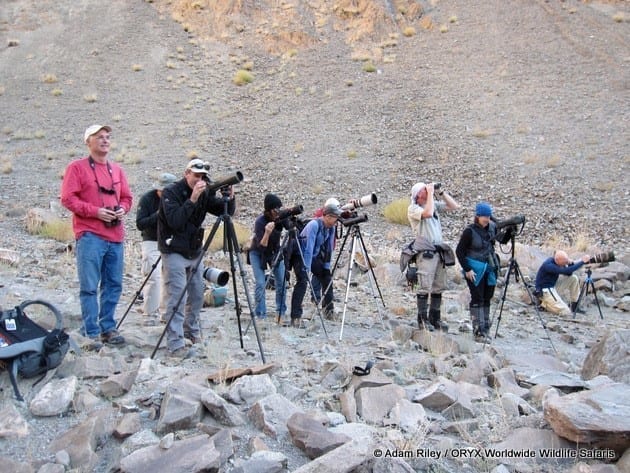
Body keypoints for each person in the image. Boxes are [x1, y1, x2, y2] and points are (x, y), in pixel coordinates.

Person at [60, 124, 133, 348]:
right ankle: (91, 332)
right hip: (90, 234)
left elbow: (128, 198)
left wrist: (122, 209)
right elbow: (67, 198)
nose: (105, 140)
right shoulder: (77, 168)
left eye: (107, 137)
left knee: (113, 284)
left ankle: (108, 328)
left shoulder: (117, 170)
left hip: (115, 236)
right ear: (88, 142)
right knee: (89, 286)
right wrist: (95, 212)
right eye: (99, 137)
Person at [157, 158, 236, 358]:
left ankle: (190, 331)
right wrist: (192, 199)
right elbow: (175, 220)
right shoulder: (171, 193)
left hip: (194, 250)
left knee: (197, 294)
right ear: (187, 173)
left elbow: (224, 211)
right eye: (196, 175)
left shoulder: (204, 193)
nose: (199, 180)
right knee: (177, 296)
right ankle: (175, 343)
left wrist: (230, 198)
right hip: (173, 249)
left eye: (203, 176)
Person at [407, 181, 460, 331]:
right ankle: (422, 320)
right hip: (426, 252)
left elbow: (454, 206)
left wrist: (441, 192)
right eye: (424, 190)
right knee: (424, 285)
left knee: (438, 286)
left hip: (439, 251)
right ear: (417, 194)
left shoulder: (433, 204)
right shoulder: (413, 208)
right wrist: (430, 193)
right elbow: (428, 213)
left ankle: (435, 318)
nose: (427, 191)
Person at [289, 200, 341, 326]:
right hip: (300, 255)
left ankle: (328, 311)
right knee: (302, 281)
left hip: (313, 257)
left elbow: (328, 248)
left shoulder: (331, 229)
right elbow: (308, 248)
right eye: (335, 218)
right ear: (328, 216)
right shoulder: (314, 225)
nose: (337, 221)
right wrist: (306, 269)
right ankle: (295, 317)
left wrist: (326, 267)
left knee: (327, 278)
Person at [136, 172, 177, 324]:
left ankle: (165, 313)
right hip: (151, 239)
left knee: (170, 276)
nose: (164, 193)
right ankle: (149, 312)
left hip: (170, 240)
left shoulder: (177, 198)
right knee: (153, 276)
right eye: (162, 190)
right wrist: (158, 215)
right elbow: (140, 223)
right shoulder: (147, 199)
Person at [456, 202, 500, 342]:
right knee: (477, 298)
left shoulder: (492, 228)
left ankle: (485, 327)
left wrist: (511, 230)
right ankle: (478, 331)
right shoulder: (469, 231)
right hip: (474, 270)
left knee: (488, 296)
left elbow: (502, 240)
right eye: (483, 216)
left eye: (488, 216)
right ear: (477, 216)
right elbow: (459, 251)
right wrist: (467, 269)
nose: (486, 219)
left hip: (489, 268)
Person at [248, 193, 287, 323]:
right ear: (268, 210)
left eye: (279, 209)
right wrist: (267, 232)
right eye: (274, 209)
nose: (277, 212)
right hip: (258, 253)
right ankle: (260, 315)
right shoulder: (260, 222)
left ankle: (280, 313)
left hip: (274, 252)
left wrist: (289, 216)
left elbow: (291, 228)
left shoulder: (280, 219)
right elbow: (262, 246)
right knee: (260, 283)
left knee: (282, 282)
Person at [535, 250, 590, 316]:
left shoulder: (557, 262)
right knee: (565, 312)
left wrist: (570, 263)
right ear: (557, 260)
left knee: (574, 278)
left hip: (553, 286)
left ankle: (574, 306)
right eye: (564, 262)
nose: (565, 263)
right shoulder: (549, 265)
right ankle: (544, 304)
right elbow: (566, 271)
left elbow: (569, 273)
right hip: (545, 291)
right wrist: (582, 262)